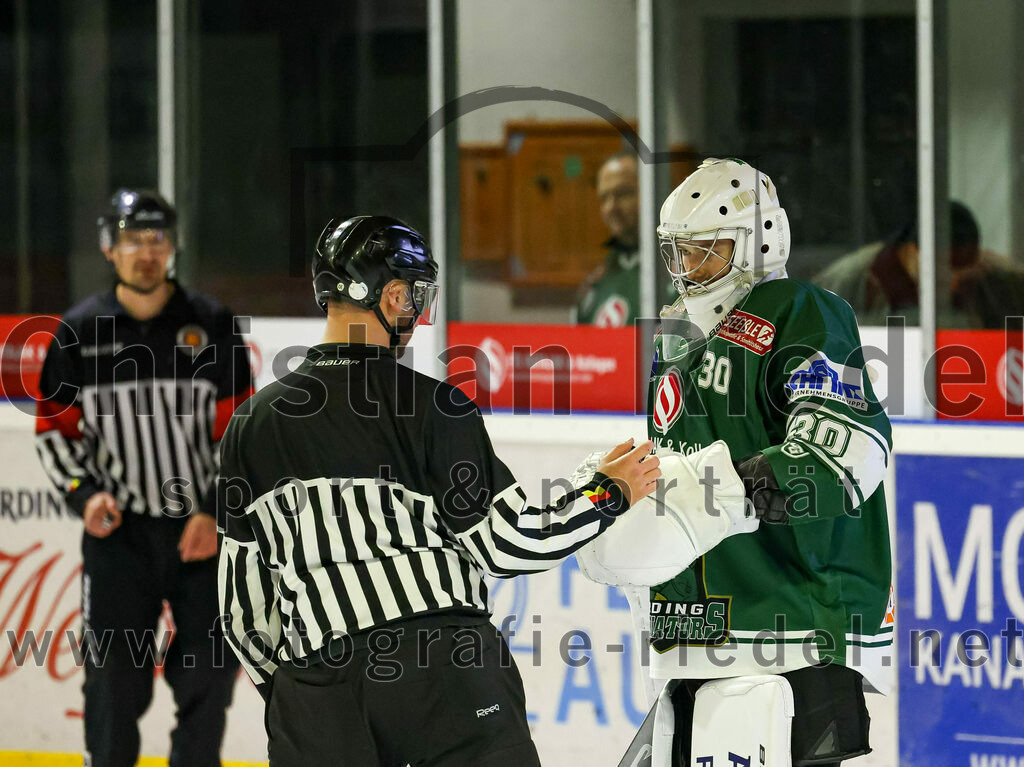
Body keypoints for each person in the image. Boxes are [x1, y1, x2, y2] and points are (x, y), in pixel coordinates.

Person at [216, 215, 663, 766]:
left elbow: (242, 610)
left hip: (315, 688)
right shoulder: (433, 406)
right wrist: (605, 494)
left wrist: (300, 697)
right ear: (393, 293)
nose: (419, 314)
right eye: (415, 296)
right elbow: (509, 543)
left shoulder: (250, 425)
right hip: (442, 672)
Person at [579, 159, 894, 767]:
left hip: (789, 633)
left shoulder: (800, 310)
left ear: (760, 241)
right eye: (677, 253)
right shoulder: (675, 338)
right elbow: (676, 471)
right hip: (695, 638)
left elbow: (846, 451)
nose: (685, 269)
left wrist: (712, 495)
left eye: (704, 252)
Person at [34, 188, 253, 767]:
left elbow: (238, 435)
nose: (146, 252)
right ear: (110, 248)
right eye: (132, 239)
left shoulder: (212, 325)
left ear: (173, 247)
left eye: (157, 239)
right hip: (119, 539)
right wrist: (84, 497)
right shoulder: (77, 332)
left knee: (209, 672)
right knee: (112, 682)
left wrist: (213, 510)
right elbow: (56, 433)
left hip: (201, 534)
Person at [813, 200, 1024, 329]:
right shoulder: (849, 278)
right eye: (949, 266)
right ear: (913, 252)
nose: (956, 279)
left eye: (967, 267)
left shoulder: (991, 273)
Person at [574, 152, 674, 326]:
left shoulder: (679, 272)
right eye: (605, 197)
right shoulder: (595, 284)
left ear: (650, 193)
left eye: (623, 194)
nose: (611, 207)